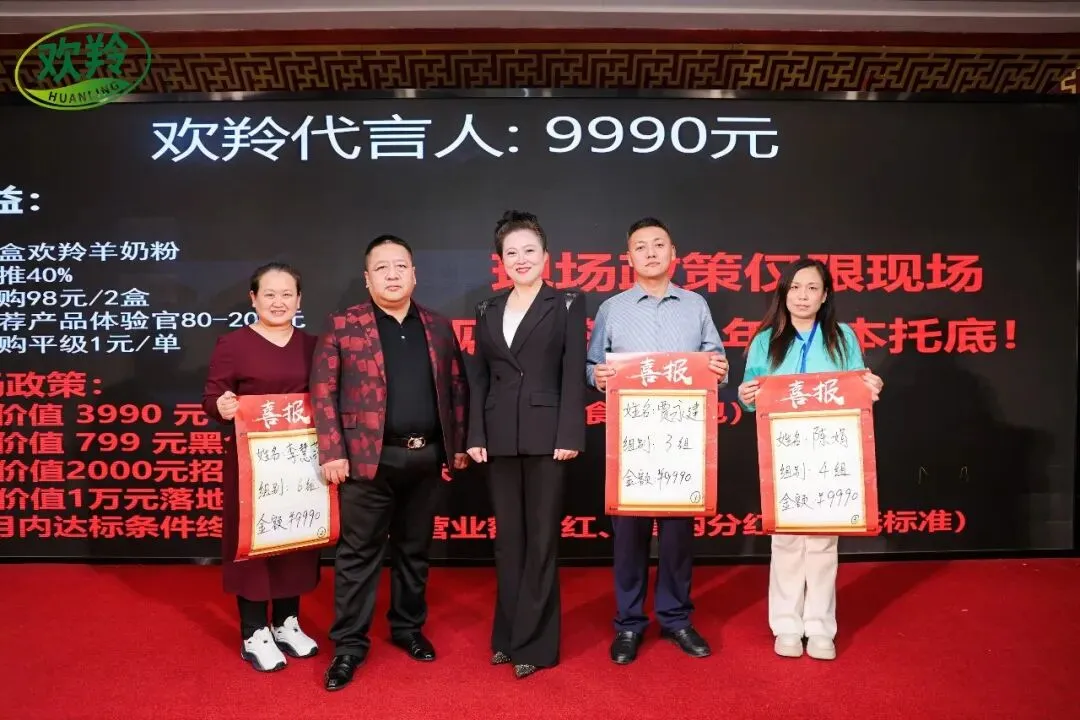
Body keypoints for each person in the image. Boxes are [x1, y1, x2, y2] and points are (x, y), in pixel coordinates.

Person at [310, 234, 470, 692]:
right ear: (368, 278)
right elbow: (322, 390)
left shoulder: (438, 326)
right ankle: (349, 645)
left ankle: (407, 628)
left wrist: (458, 445)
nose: (393, 275)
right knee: (358, 554)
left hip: (427, 457)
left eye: (401, 266)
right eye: (382, 268)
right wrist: (333, 451)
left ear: (414, 273)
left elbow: (457, 388)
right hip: (367, 461)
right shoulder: (344, 324)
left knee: (414, 551)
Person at [586, 217, 729, 665]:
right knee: (628, 538)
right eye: (641, 246)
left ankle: (676, 618)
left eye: (658, 245)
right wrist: (598, 376)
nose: (650, 253)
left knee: (676, 538)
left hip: (681, 441)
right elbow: (591, 366)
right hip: (632, 443)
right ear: (628, 257)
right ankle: (629, 624)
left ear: (673, 253)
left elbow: (716, 358)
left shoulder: (695, 305)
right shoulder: (612, 309)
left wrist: (719, 368)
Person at [736, 257, 884, 662]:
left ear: (825, 295)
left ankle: (820, 627)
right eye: (795, 288)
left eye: (812, 288)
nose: (803, 296)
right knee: (785, 539)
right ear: (784, 293)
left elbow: (859, 388)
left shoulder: (843, 337)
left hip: (831, 451)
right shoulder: (765, 340)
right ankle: (786, 624)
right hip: (784, 451)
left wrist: (871, 386)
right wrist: (745, 396)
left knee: (822, 541)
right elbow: (749, 396)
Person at [466, 211, 587, 680]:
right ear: (500, 260)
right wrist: (476, 434)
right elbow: (479, 377)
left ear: (545, 256)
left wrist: (570, 434)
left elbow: (573, 371)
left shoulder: (567, 303)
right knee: (508, 542)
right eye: (511, 253)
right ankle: (507, 637)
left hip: (548, 437)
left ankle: (535, 644)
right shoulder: (487, 308)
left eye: (529, 251)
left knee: (541, 543)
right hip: (498, 437)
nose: (521, 259)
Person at [202, 262, 321, 673]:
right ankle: (254, 631)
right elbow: (212, 397)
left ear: (299, 300)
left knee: (295, 535)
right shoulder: (233, 344)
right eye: (269, 294)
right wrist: (221, 406)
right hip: (251, 464)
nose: (278, 302)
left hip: (300, 463)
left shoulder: (313, 346)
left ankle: (286, 622)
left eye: (287, 294)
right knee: (254, 542)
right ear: (253, 299)